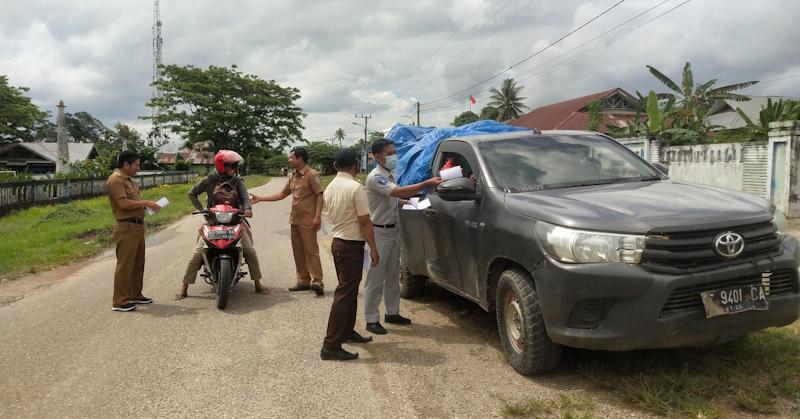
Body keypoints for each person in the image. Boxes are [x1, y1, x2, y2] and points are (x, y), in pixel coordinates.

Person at [363, 140, 443, 334]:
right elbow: (397, 191)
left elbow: (394, 199)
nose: (394, 156)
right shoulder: (376, 177)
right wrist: (427, 183)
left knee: (392, 275)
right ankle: (371, 319)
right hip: (378, 232)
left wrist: (412, 203)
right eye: (390, 153)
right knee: (375, 279)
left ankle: (392, 313)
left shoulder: (391, 174)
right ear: (378, 156)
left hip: (392, 230)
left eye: (394, 152)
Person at [175, 150, 267, 299]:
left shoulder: (238, 181)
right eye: (232, 166)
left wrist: (248, 209)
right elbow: (192, 193)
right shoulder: (208, 180)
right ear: (221, 165)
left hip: (235, 222)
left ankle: (258, 283)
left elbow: (245, 198)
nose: (235, 169)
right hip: (213, 223)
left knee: (250, 251)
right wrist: (202, 209)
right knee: (197, 254)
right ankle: (184, 287)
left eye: (236, 166)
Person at [320, 148, 379, 361]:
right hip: (351, 245)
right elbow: (364, 221)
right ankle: (330, 345)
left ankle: (346, 331)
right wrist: (373, 248)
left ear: (335, 166)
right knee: (345, 294)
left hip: (339, 243)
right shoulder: (355, 187)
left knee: (350, 290)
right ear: (356, 164)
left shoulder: (330, 187)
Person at [250, 147, 325, 295]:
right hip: (295, 220)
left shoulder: (311, 175)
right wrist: (261, 198)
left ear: (300, 159)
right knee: (298, 252)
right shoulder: (292, 176)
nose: (289, 160)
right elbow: (282, 194)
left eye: (292, 157)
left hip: (308, 220)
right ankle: (303, 281)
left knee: (311, 251)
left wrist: (317, 216)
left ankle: (317, 281)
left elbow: (319, 195)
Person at [106, 150, 161, 312]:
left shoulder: (129, 180)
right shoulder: (116, 180)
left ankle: (135, 294)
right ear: (126, 164)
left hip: (137, 226)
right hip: (126, 227)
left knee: (137, 264)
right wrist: (146, 202)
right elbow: (123, 204)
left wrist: (146, 206)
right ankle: (120, 301)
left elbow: (133, 202)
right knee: (125, 265)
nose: (138, 167)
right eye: (136, 164)